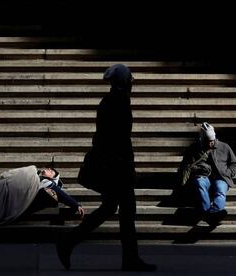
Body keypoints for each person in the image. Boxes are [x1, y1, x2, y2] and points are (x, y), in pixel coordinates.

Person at [56, 64, 156, 271]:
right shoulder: (118, 102)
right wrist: (127, 168)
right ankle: (130, 259)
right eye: (130, 80)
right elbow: (118, 140)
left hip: (113, 167)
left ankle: (69, 242)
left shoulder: (111, 100)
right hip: (117, 169)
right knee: (127, 211)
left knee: (110, 207)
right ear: (124, 81)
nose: (132, 83)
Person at [177, 122, 236, 226]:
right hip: (203, 177)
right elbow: (185, 166)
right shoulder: (194, 148)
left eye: (212, 140)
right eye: (207, 141)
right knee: (200, 183)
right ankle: (211, 215)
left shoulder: (224, 147)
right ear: (202, 139)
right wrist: (198, 169)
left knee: (220, 190)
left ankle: (210, 214)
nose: (210, 143)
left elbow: (235, 164)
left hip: (221, 177)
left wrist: (228, 173)